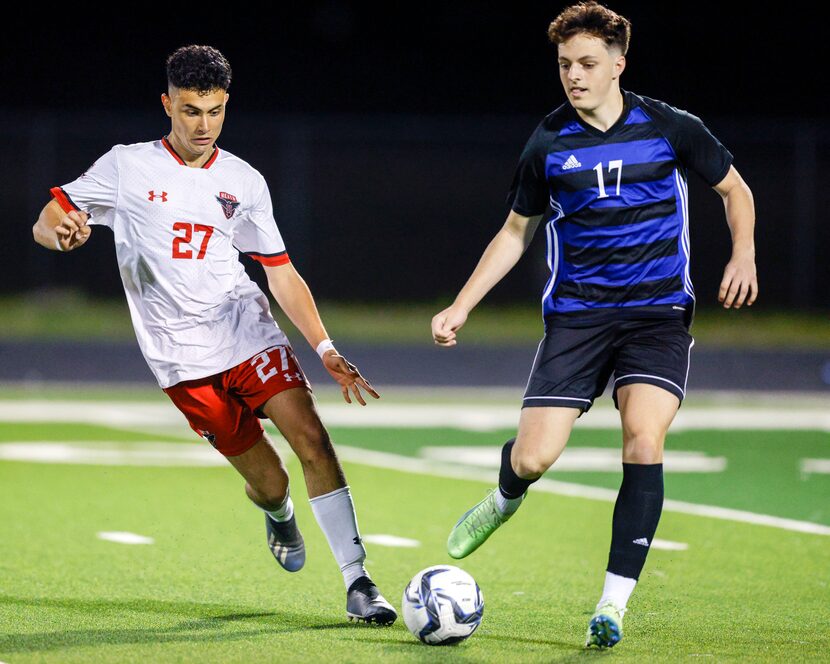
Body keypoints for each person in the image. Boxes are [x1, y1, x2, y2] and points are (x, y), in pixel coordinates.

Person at [32, 44, 397, 626]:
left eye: (216, 111)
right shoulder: (127, 166)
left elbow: (279, 271)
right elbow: (48, 221)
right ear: (167, 105)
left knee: (312, 437)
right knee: (271, 480)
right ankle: (278, 514)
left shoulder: (243, 180)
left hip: (244, 328)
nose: (204, 125)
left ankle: (358, 581)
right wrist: (64, 234)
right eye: (190, 110)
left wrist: (325, 347)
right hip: (179, 359)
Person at [432, 1, 757, 649]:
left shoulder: (669, 126)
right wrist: (462, 303)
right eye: (563, 65)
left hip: (656, 316)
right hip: (578, 319)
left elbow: (735, 190)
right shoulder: (549, 142)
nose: (573, 76)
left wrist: (744, 253)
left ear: (618, 64)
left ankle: (612, 605)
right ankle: (504, 495)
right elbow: (516, 230)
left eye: (585, 64)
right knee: (533, 457)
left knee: (643, 438)